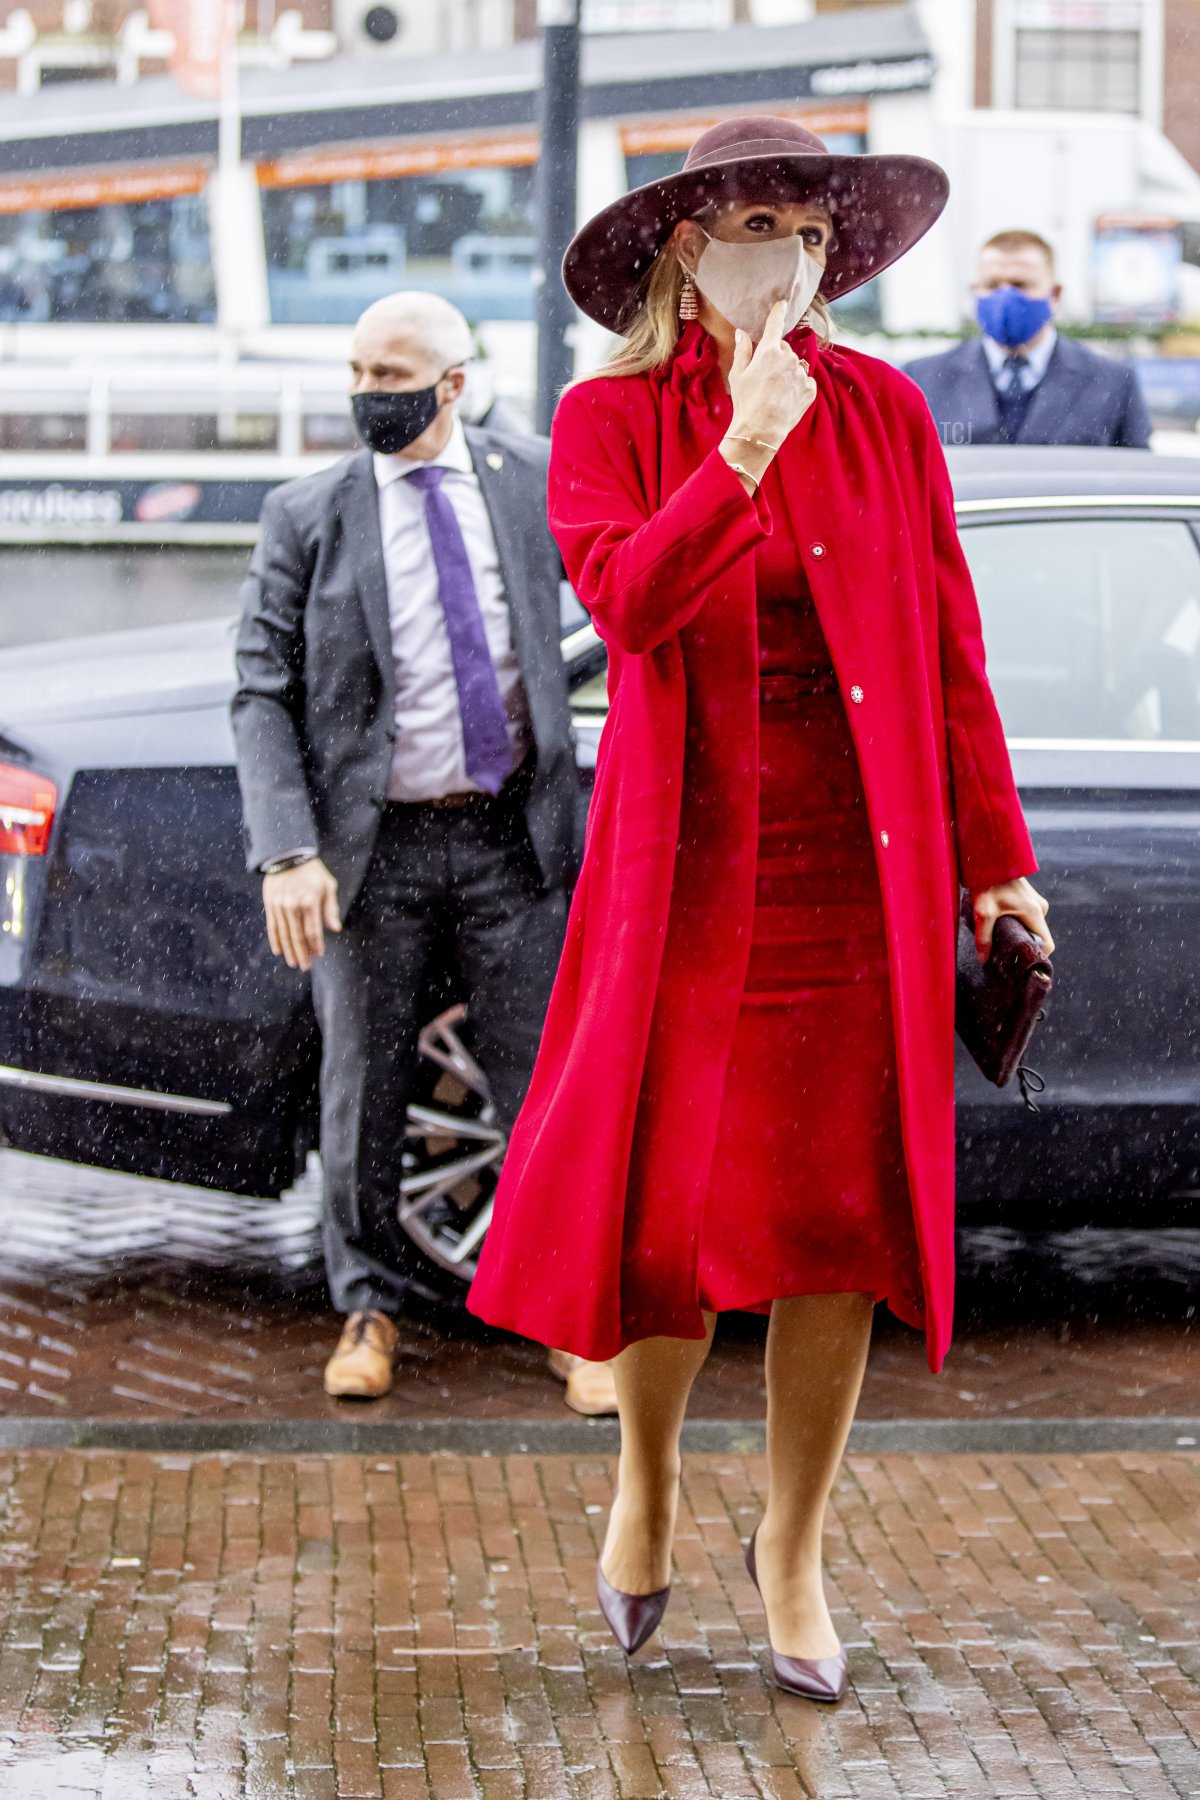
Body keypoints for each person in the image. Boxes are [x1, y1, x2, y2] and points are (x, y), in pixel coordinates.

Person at [467, 117, 1054, 1699]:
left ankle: (791, 1544)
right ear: (683, 245)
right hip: (692, 867)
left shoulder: (888, 414)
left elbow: (947, 641)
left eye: (805, 228)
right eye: (749, 222)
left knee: (839, 1229)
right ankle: (647, 1488)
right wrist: (737, 447)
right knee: (676, 1212)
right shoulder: (609, 421)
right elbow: (630, 607)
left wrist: (997, 854)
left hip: (861, 869)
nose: (781, 254)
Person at [232, 290, 615, 1415]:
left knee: (543, 1083)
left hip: (511, 839)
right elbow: (260, 692)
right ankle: (368, 1308)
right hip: (371, 853)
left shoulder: (533, 482)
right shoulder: (308, 513)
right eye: (353, 372)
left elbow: (616, 606)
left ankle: (564, 1318)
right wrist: (286, 850)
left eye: (389, 377)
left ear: (453, 384)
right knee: (363, 1085)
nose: (366, 396)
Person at [905, 229, 1150, 448]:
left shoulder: (1112, 383)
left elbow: (1136, 480)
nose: (1005, 296)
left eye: (1020, 284)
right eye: (992, 285)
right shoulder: (923, 380)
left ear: (1054, 295)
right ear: (975, 291)